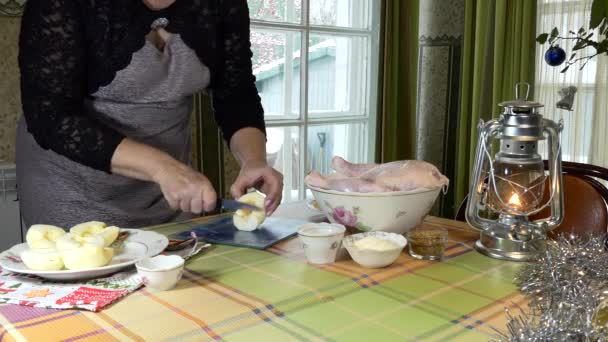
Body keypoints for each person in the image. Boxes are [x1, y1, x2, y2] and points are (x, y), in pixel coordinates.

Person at [16, 0, 283, 229]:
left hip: (171, 193)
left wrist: (253, 160)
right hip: (75, 195)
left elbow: (237, 93)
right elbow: (50, 115)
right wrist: (163, 168)